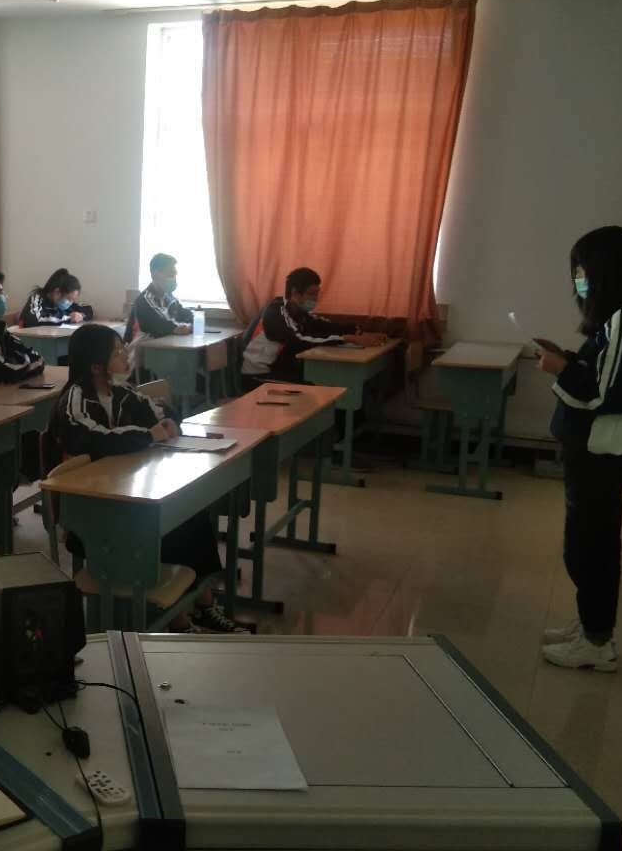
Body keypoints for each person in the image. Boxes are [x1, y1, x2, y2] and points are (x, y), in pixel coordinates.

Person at [49, 323, 247, 633]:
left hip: (124, 495)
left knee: (189, 512)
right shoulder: (75, 400)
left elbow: (159, 413)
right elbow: (93, 438)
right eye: (117, 352)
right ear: (96, 366)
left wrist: (167, 423)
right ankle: (178, 620)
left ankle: (204, 603)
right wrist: (147, 434)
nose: (126, 356)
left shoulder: (121, 392)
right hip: (90, 511)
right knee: (160, 524)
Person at [537, 225, 622, 673]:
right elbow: (602, 371)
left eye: (583, 271)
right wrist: (569, 359)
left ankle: (596, 641)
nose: (578, 281)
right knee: (587, 542)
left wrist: (560, 369)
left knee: (591, 546)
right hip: (590, 451)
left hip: (599, 453)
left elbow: (610, 394)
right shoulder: (616, 320)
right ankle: (591, 626)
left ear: (606, 271)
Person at [240, 267, 390, 386]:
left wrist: (359, 332)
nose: (315, 299)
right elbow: (298, 340)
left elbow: (325, 325)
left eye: (317, 294)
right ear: (295, 293)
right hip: (257, 376)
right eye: (311, 294)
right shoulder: (274, 313)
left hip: (280, 369)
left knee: (328, 383)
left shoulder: (299, 312)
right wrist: (346, 339)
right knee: (320, 387)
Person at [125, 253, 194, 341]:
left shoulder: (170, 298)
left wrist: (190, 325)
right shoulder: (145, 300)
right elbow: (160, 324)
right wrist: (178, 328)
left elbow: (188, 316)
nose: (174, 279)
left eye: (175, 274)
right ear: (155, 275)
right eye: (170, 274)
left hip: (161, 345)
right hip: (139, 347)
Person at [19, 268, 94, 327]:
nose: (70, 303)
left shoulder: (62, 303)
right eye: (69, 299)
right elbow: (34, 320)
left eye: (73, 300)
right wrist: (68, 318)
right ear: (57, 292)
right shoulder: (37, 298)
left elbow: (88, 309)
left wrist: (81, 316)